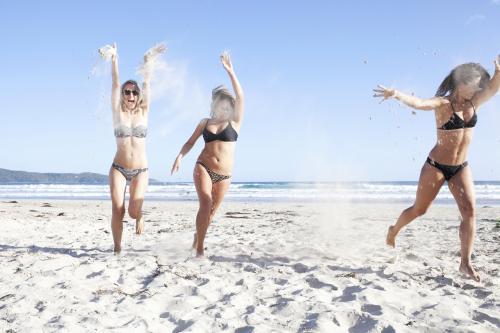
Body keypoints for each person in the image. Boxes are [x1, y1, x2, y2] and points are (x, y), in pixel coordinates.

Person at [373, 56, 500, 282]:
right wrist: (396, 94)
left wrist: (498, 71)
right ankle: (393, 230)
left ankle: (465, 263)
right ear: (461, 83)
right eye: (475, 84)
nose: (479, 88)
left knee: (470, 211)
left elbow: (493, 88)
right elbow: (420, 103)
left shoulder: (474, 101)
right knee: (419, 210)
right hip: (436, 167)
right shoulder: (442, 104)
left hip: (461, 167)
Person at [171, 51, 244, 257]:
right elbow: (190, 142)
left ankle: (198, 237)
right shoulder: (205, 122)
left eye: (227, 105)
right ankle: (200, 250)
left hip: (224, 176)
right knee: (205, 202)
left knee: (210, 213)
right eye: (219, 104)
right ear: (214, 106)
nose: (223, 108)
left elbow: (241, 96)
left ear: (231, 106)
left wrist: (231, 71)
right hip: (203, 166)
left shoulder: (235, 123)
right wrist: (179, 156)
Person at [101, 42, 166, 253]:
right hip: (118, 168)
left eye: (134, 93)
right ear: (122, 95)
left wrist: (149, 63)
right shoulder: (116, 113)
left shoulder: (144, 112)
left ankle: (140, 215)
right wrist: (114, 60)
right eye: (127, 92)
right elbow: (115, 82)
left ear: (138, 96)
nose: (130, 96)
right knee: (117, 209)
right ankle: (117, 249)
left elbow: (148, 83)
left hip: (140, 170)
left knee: (131, 211)